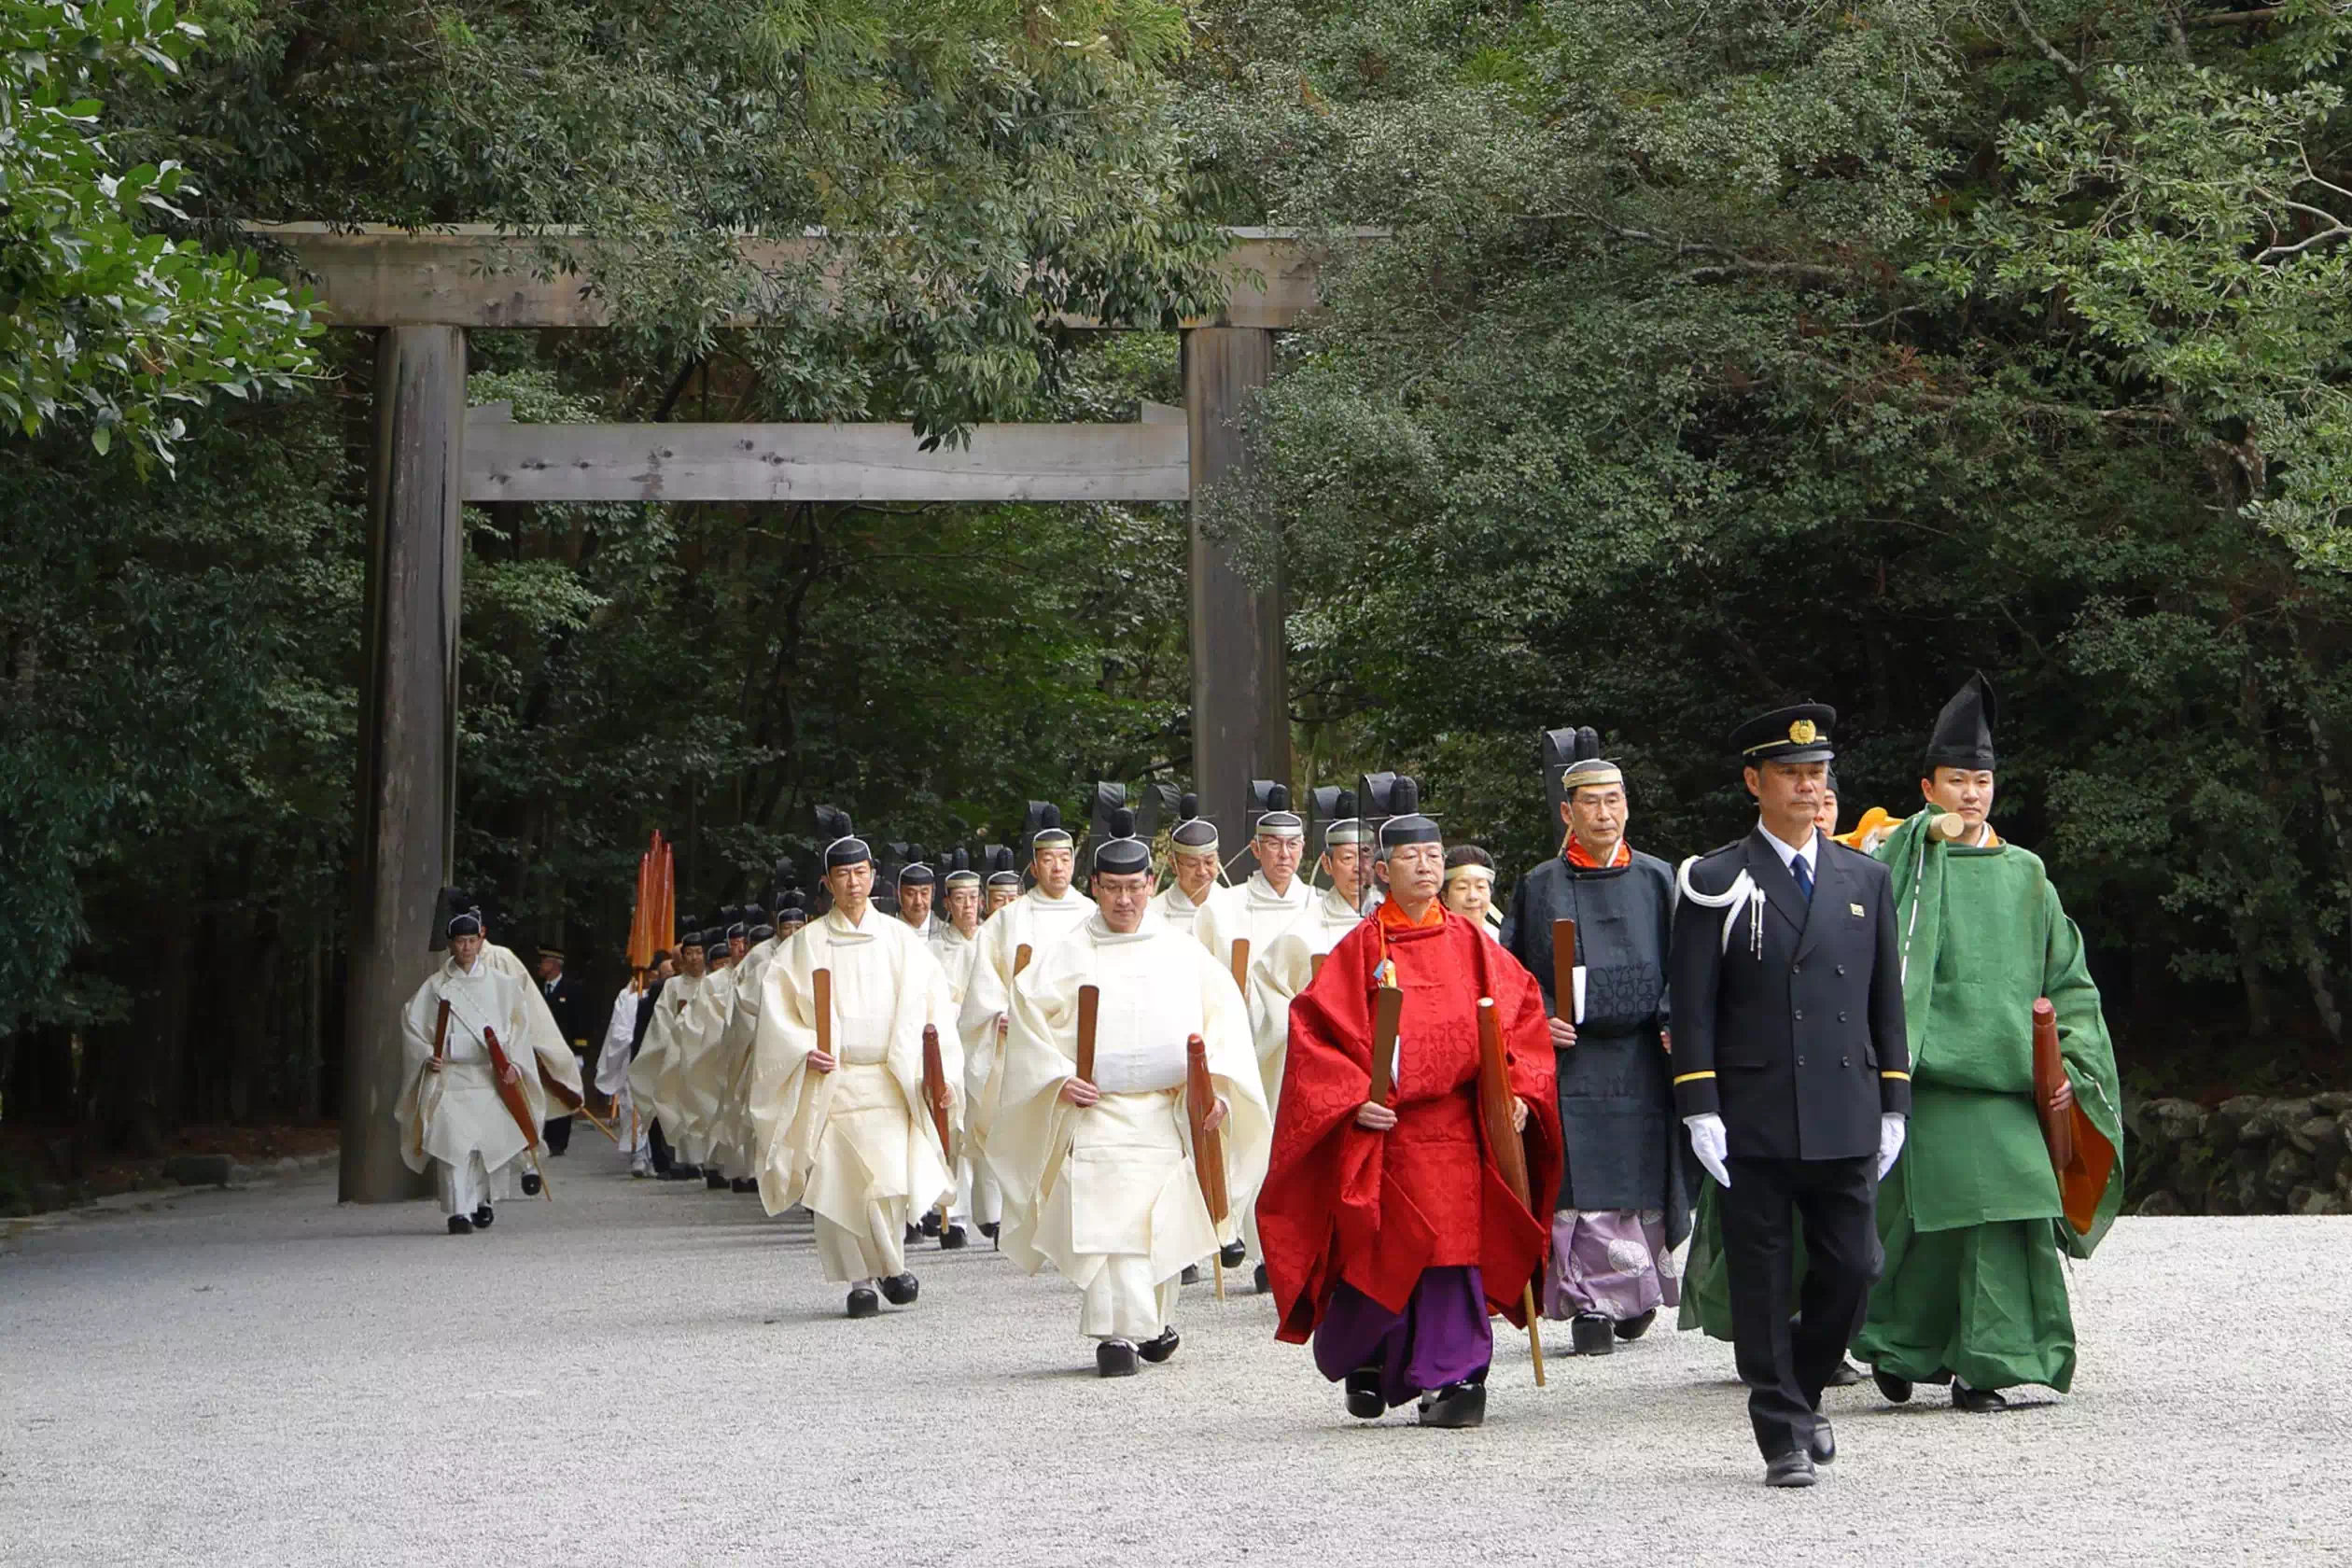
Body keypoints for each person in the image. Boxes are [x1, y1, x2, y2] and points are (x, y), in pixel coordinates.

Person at [1853, 674, 2123, 1411]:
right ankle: (1899, 1346)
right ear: (1927, 788)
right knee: (1923, 1227)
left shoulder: (2026, 874)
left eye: (1982, 782)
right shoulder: (1895, 867)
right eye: (1956, 781)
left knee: (2014, 1216)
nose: (1971, 795)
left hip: (2009, 1084)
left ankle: (1989, 1366)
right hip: (1928, 1080)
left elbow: (2067, 976)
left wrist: (2070, 1059)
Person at [1259, 779, 1561, 1430]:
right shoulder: (1361, 949)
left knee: (1455, 1251)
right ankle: (1371, 1360)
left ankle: (1457, 1378)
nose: (1425, 867)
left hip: (1459, 1127)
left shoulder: (1474, 944)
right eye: (1410, 857)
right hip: (1389, 1131)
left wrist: (1517, 1092)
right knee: (1385, 1250)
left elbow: (1521, 1018)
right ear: (1382, 870)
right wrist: (1353, 1099)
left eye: (1433, 856)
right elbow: (1315, 1033)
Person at [1667, 703, 1910, 1487]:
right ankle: (1780, 1433)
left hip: (1844, 1102)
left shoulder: (1864, 876)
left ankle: (1800, 1390)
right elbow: (1693, 1004)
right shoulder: (1714, 879)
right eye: (1791, 774)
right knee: (1763, 1278)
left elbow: (1885, 1001)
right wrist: (1699, 1105)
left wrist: (1895, 1100)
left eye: (1817, 773)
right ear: (1755, 782)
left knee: (1855, 1268)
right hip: (1757, 1106)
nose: (1808, 787)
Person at [988, 809, 1272, 1376]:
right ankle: (1115, 1335)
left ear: (1150, 884)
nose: (1124, 900)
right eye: (1112, 888)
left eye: (1134, 888)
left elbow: (1223, 1022)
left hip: (1165, 1112)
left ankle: (1150, 1322)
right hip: (1098, 1112)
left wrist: (1215, 1089)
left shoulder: (1181, 950)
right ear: (1094, 886)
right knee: (1106, 1226)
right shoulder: (1067, 952)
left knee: (1158, 1222)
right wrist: (1056, 1075)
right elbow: (1028, 1020)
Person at [1499, 752, 1687, 1357]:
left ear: (1627, 807)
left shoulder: (1659, 878)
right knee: (1578, 1178)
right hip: (1572, 1056)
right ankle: (1588, 1303)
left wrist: (1673, 1019)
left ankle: (1635, 1292)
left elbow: (1686, 962)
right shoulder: (1540, 884)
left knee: (1641, 1171)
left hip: (1641, 1052)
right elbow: (1511, 972)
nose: (1603, 814)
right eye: (1590, 802)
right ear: (1567, 812)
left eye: (1613, 801)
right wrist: (1539, 1016)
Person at [749, 811, 960, 1318]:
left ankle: (890, 1264)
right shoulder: (805, 946)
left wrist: (938, 1071)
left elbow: (934, 1007)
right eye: (842, 875)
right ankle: (862, 1281)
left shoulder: (899, 940)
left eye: (861, 872)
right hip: (834, 1082)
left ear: (873, 876)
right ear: (827, 883)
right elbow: (777, 1012)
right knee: (840, 1183)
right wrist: (804, 1047)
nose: (853, 883)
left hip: (888, 1078)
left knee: (887, 1179)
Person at [1239, 789, 1370, 1291]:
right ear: (1328, 864)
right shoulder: (1303, 931)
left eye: (1366, 857)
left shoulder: (1392, 917)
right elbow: (1269, 994)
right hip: (1322, 1062)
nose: (1358, 868)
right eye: (1347, 858)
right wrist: (1311, 1034)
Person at [957, 805, 1095, 1203]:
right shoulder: (1007, 921)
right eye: (1048, 859)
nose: (1058, 867)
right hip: (1026, 1046)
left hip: (1081, 1042)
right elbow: (985, 984)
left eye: (1064, 858)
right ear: (1034, 867)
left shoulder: (1092, 914)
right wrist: (996, 1015)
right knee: (1032, 1143)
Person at [397, 899, 558, 1234]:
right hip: (452, 1076)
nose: (467, 947)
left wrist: (513, 1063)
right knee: (454, 1146)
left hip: (489, 1076)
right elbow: (412, 1024)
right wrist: (427, 1054)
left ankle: (483, 1200)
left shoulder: (502, 984)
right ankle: (459, 1210)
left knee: (487, 1145)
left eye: (472, 940)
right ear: (451, 944)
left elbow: (518, 1028)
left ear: (481, 940)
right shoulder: (436, 987)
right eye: (460, 941)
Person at [1194, 783, 1313, 979]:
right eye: (1274, 844)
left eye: (1292, 844)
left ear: (1302, 848)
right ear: (1256, 849)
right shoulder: (1221, 907)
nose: (1284, 854)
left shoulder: (1316, 903)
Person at [628, 923, 717, 1182]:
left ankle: (707, 1161)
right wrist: (677, 1039)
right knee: (677, 1109)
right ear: (682, 957)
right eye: (689, 953)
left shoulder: (715, 983)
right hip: (679, 1056)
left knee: (706, 1107)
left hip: (708, 1057)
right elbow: (661, 1021)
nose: (694, 958)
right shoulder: (672, 987)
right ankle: (679, 1160)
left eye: (699, 952)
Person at [595, 952, 670, 1177]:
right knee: (633, 1105)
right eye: (663, 974)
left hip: (664, 1059)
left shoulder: (673, 994)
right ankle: (639, 1154)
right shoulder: (629, 998)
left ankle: (662, 1158)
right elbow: (619, 1032)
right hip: (636, 1057)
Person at [531, 945, 590, 1155]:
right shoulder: (536, 989)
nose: (540, 965)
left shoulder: (572, 989)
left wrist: (579, 1052)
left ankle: (559, 1142)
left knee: (563, 1093)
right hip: (542, 1052)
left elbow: (581, 1021)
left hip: (565, 1052)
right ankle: (544, 1137)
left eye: (544, 961)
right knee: (545, 1093)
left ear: (555, 964)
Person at [1150, 793, 1235, 936]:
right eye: (1192, 864)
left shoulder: (1235, 905)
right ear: (1173, 864)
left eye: (1209, 862)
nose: (1202, 871)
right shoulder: (1153, 914)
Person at [1439, 846, 1503, 937]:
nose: (1473, 896)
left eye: (1480, 886)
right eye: (1462, 888)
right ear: (1445, 898)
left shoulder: (1501, 940)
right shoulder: (1433, 940)